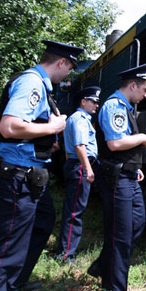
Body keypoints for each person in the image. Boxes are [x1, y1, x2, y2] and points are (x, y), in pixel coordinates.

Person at [0, 40, 84, 291]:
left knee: (43, 222)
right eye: (70, 69)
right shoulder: (33, 83)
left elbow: (26, 130)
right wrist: (52, 127)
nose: (68, 76)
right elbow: (10, 125)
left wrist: (45, 142)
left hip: (31, 174)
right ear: (62, 62)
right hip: (18, 176)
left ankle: (18, 280)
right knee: (8, 247)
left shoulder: (40, 86)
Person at [85, 62, 146, 291]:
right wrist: (143, 138)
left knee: (137, 222)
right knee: (120, 235)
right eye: (144, 89)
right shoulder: (114, 106)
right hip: (116, 180)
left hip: (128, 176)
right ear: (132, 85)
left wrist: (135, 168)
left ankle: (103, 266)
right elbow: (115, 143)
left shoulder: (125, 107)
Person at [56, 86, 101, 263]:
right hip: (80, 166)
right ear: (83, 102)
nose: (96, 105)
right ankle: (66, 254)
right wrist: (88, 169)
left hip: (78, 165)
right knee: (74, 211)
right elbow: (80, 146)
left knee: (75, 209)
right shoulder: (80, 119)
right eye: (93, 101)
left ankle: (68, 249)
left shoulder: (80, 118)